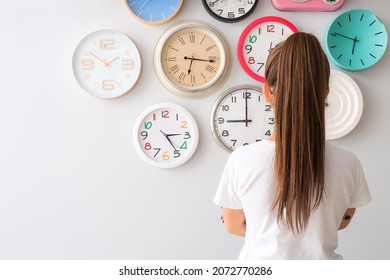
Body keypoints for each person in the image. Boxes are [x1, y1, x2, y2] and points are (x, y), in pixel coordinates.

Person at [214, 32, 371, 260]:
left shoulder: (241, 160)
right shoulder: (349, 162)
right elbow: (340, 222)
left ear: (268, 92)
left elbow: (234, 225)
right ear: (326, 91)